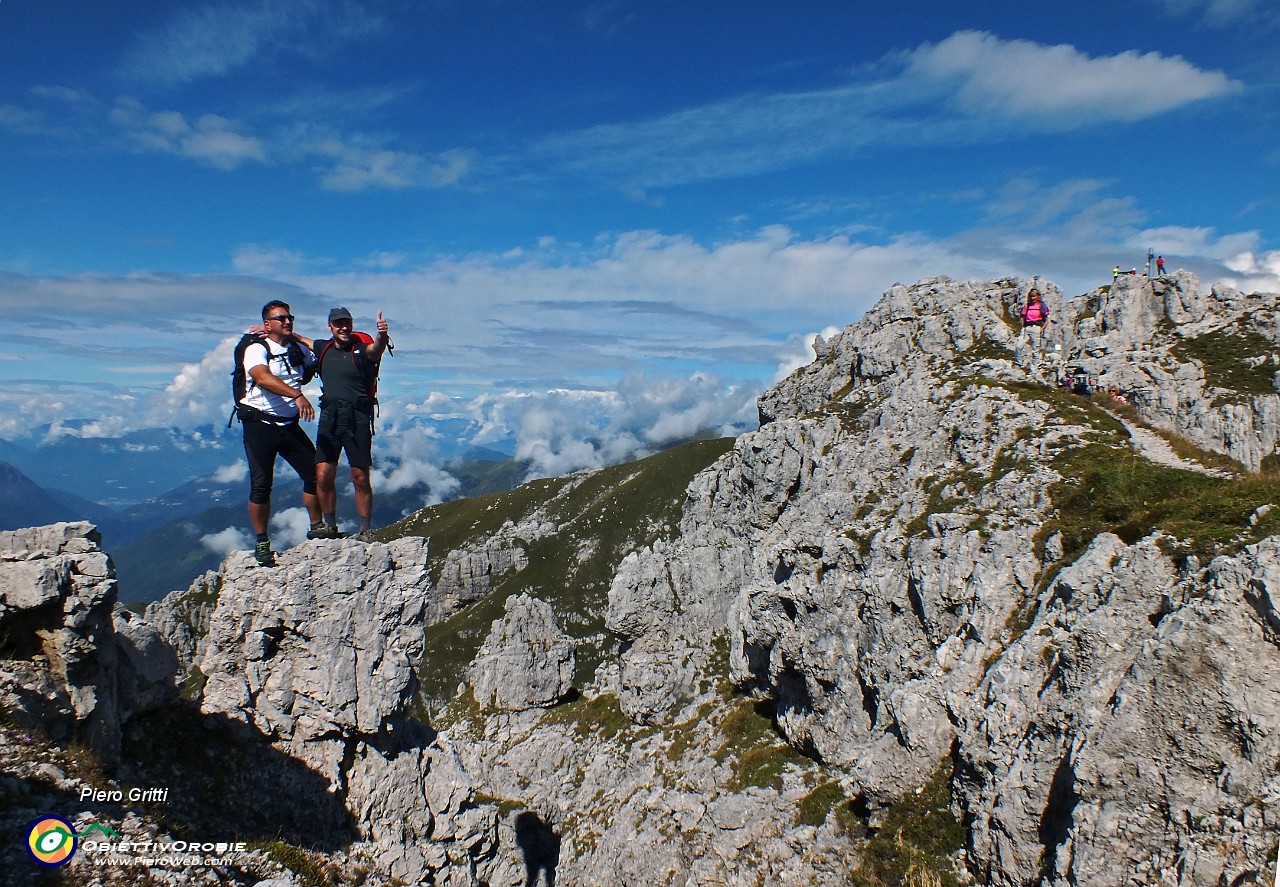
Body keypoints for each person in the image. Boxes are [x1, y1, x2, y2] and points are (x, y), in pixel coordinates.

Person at [237, 301, 323, 566]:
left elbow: (323, 355)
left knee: (316, 474)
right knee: (261, 485)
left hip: (288, 424)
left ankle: (317, 526)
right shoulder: (256, 348)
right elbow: (261, 377)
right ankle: (262, 541)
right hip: (259, 425)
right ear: (267, 324)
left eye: (290, 318)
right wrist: (297, 394)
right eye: (281, 319)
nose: (287, 322)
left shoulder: (296, 349)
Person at [305, 307, 391, 542]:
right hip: (330, 417)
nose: (343, 327)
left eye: (346, 323)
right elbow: (299, 339)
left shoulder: (361, 350)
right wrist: (269, 330)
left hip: (357, 418)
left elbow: (376, 350)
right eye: (338, 323)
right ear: (330, 326)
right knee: (323, 474)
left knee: (359, 476)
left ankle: (365, 530)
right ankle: (330, 527)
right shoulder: (323, 348)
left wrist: (382, 334)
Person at [1020, 288, 1050, 353]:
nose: (1032, 298)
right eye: (1031, 296)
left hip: (1036, 327)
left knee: (1035, 349)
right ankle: (1018, 362)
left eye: (1034, 296)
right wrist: (1023, 326)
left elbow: (1046, 320)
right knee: (1018, 345)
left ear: (1038, 296)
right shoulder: (1027, 306)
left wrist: (1041, 329)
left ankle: (1036, 363)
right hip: (1026, 328)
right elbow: (1023, 316)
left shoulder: (1041, 305)